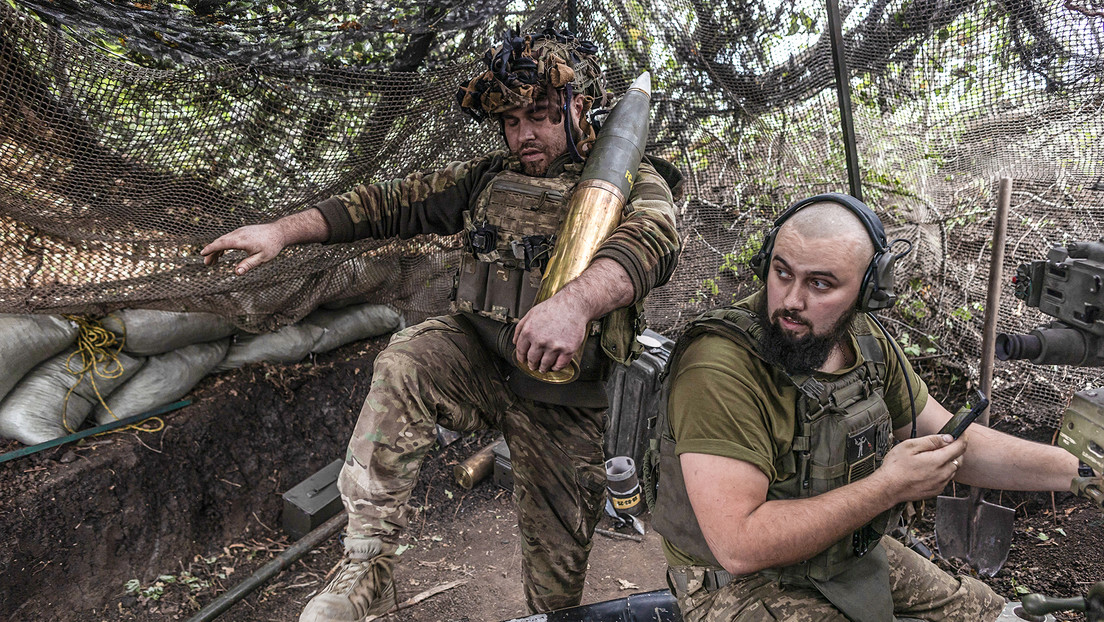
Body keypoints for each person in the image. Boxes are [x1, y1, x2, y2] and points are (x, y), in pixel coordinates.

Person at [201, 26, 682, 622]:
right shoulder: (485, 178)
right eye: (510, 121)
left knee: (556, 582)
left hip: (566, 403)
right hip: (476, 361)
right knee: (405, 361)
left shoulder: (634, 181)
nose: (524, 134)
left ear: (576, 106)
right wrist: (281, 232)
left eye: (537, 115)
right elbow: (382, 205)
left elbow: (653, 240)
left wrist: (575, 304)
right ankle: (366, 566)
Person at [651, 193, 1082, 622]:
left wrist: (1078, 472)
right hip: (738, 585)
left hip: (838, 550)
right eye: (781, 273)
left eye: (820, 283)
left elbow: (951, 440)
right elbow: (739, 545)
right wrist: (889, 486)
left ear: (869, 289)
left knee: (986, 614)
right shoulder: (719, 367)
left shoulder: (864, 341)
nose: (790, 301)